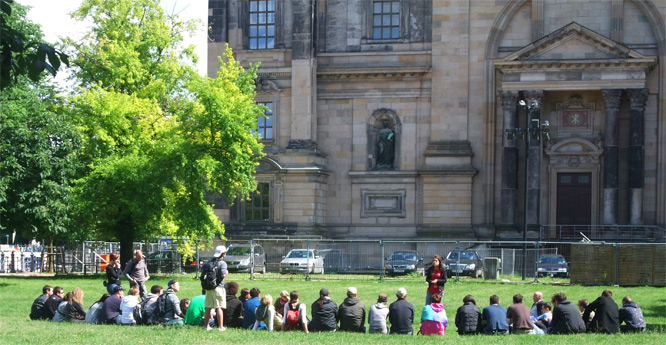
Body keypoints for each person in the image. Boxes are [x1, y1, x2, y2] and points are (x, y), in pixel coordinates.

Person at [202, 245, 228, 331]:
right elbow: (223, 275)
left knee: (208, 307)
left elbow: (201, 271)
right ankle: (220, 327)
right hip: (219, 287)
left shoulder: (209, 261)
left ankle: (207, 326)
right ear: (223, 254)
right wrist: (227, 273)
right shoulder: (222, 263)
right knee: (219, 307)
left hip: (209, 287)